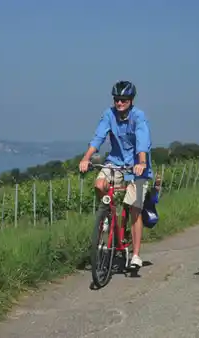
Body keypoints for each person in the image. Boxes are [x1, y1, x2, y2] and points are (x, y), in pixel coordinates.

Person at [79, 80, 153, 269]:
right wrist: (86, 158)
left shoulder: (138, 116)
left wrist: (142, 163)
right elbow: (98, 137)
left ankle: (135, 255)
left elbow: (142, 140)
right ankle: (107, 217)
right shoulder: (108, 114)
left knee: (135, 208)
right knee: (99, 185)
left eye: (123, 100)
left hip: (137, 165)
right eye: (116, 100)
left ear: (131, 100)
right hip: (115, 161)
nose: (119, 103)